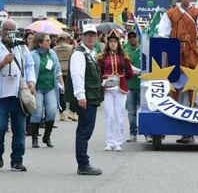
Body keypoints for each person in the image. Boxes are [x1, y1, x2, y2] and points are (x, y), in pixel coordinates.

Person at [158, 0, 198, 144]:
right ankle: (176, 127)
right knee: (174, 88)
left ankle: (190, 130)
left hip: (191, 54)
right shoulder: (171, 13)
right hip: (175, 53)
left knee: (192, 89)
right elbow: (163, 32)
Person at [65, 24, 103, 176]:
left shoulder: (90, 53)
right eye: (87, 35)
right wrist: (81, 97)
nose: (90, 37)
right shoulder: (79, 54)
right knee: (84, 131)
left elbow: (90, 76)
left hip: (91, 96)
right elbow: (77, 76)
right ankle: (83, 164)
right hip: (86, 98)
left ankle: (83, 162)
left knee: (86, 130)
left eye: (93, 35)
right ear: (81, 36)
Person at [0, 19, 36, 172]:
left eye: (12, 30)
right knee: (0, 127)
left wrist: (31, 82)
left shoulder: (21, 47)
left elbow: (29, 66)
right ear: (1, 31)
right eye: (6, 29)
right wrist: (3, 62)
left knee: (19, 130)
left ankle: (17, 160)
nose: (9, 33)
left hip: (18, 95)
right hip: (1, 96)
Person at [98, 29, 136, 151]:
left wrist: (122, 80)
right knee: (109, 115)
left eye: (115, 41)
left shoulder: (124, 56)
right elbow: (99, 72)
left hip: (120, 89)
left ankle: (118, 142)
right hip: (107, 89)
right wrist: (103, 82)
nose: (113, 44)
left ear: (118, 43)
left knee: (119, 115)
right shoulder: (102, 57)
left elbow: (130, 73)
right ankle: (109, 142)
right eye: (111, 41)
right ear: (108, 43)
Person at [30, 33, 64, 148]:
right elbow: (29, 71)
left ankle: (47, 136)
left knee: (52, 111)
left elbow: (58, 69)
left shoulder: (52, 53)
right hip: (37, 88)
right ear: (39, 43)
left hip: (50, 87)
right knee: (37, 111)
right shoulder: (33, 55)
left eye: (49, 40)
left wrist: (61, 83)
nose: (50, 42)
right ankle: (34, 138)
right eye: (47, 41)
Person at [53, 33, 78, 122]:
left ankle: (62, 112)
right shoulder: (71, 48)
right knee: (72, 91)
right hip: (69, 71)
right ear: (67, 39)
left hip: (58, 73)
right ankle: (72, 111)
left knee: (60, 92)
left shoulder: (54, 49)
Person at [124, 30, 142, 143]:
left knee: (143, 111)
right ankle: (133, 133)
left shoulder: (143, 50)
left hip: (143, 85)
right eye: (130, 37)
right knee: (131, 112)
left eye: (133, 36)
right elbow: (126, 67)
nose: (132, 39)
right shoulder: (126, 51)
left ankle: (147, 134)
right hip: (130, 85)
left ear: (138, 38)